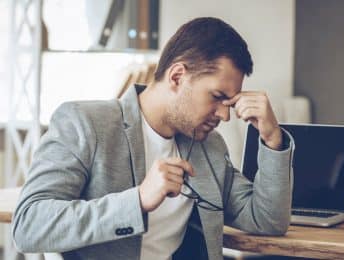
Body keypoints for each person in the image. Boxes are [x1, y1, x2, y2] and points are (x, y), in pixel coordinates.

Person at [12, 17, 294, 260]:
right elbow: (29, 225)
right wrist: (137, 200)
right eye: (217, 97)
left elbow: (267, 220)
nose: (225, 115)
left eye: (229, 103)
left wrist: (272, 139)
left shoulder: (208, 147)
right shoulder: (85, 124)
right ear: (177, 77)